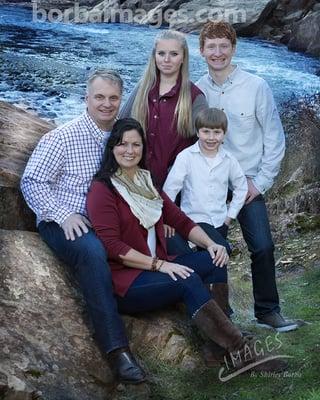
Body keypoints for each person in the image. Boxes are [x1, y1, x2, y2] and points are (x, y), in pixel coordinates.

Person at [86, 117, 285, 373]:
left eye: (136, 145)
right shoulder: (102, 189)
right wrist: (160, 265)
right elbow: (113, 247)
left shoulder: (146, 182)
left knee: (215, 258)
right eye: (123, 144)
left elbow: (180, 221)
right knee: (187, 278)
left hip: (157, 267)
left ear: (143, 148)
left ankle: (216, 349)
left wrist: (212, 243)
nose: (130, 150)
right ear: (112, 147)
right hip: (129, 281)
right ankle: (240, 351)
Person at [20, 69, 146, 384]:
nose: (106, 104)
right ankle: (117, 351)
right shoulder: (61, 137)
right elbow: (32, 181)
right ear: (86, 98)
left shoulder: (120, 138)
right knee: (91, 252)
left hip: (106, 223)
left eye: (113, 98)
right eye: (99, 97)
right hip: (63, 222)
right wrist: (61, 214)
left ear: (121, 100)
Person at [196, 21, 298, 332]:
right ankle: (220, 316)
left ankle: (268, 311)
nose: (217, 53)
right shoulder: (197, 90)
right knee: (212, 253)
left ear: (233, 48)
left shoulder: (257, 87)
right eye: (211, 47)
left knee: (263, 247)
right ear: (201, 51)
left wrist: (260, 183)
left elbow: (274, 139)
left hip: (248, 184)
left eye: (223, 46)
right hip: (212, 185)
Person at [120, 29, 208, 188]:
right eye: (161, 53)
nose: (166, 59)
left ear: (183, 58)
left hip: (173, 188)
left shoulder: (195, 97)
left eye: (174, 54)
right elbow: (119, 126)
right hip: (133, 180)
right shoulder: (142, 89)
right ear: (154, 56)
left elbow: (205, 145)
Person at [163, 107, 247, 241]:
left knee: (218, 258)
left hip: (219, 222)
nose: (211, 137)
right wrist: (168, 218)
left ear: (224, 133)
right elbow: (170, 189)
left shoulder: (229, 160)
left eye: (217, 132)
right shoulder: (186, 157)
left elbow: (241, 187)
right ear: (197, 132)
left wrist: (229, 216)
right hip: (191, 222)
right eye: (206, 132)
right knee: (212, 255)